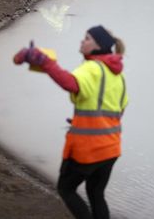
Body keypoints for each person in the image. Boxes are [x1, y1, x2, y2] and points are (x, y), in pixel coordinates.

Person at [13, 25, 128, 219]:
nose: (82, 41)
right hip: (111, 149)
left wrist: (45, 62)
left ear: (98, 46)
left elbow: (70, 83)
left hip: (88, 149)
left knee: (66, 189)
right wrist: (84, 119)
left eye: (88, 38)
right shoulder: (118, 76)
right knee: (96, 194)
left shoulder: (92, 68)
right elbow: (117, 111)